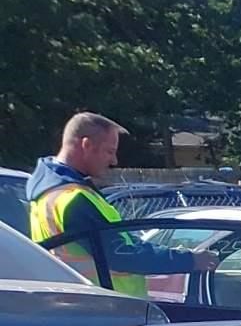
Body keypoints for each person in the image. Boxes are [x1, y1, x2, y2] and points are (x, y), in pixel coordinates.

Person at [24, 112, 215, 292]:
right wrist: (189, 261)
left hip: (80, 302)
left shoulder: (50, 192)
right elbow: (122, 255)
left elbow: (125, 242)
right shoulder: (73, 199)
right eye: (109, 151)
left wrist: (179, 256)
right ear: (87, 145)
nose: (114, 160)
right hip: (102, 305)